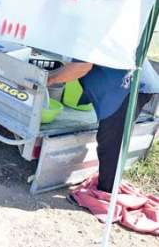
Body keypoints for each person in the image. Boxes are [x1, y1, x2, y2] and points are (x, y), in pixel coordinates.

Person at [48, 59, 159, 193]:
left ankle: (106, 193)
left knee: (111, 141)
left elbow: (81, 67)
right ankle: (109, 184)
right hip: (136, 79)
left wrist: (48, 79)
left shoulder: (89, 38)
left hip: (129, 86)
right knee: (113, 137)